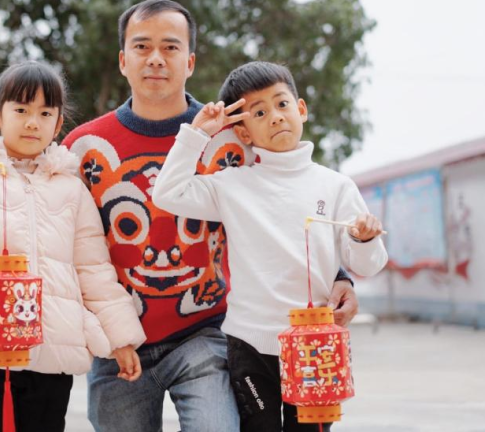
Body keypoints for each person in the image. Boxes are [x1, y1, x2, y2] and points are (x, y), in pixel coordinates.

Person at [60, 0, 360, 432]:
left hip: (206, 331)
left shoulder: (235, 136)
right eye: (142, 47)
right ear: (123, 60)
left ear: (191, 61)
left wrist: (340, 275)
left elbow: (292, 199)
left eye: (170, 47)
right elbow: (60, 234)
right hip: (119, 340)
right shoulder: (83, 147)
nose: (156, 58)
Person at [152, 60, 388, 431]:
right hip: (249, 344)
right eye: (259, 112)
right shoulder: (231, 185)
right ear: (242, 132)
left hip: (315, 346)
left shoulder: (336, 187)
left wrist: (365, 239)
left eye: (282, 104)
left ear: (301, 109)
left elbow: (369, 264)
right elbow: (167, 193)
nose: (275, 116)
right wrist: (197, 134)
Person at [0, 61, 146, 432]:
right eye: (21, 110)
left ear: (58, 123)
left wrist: (122, 338)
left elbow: (94, 271)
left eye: (45, 113)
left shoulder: (72, 190)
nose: (33, 122)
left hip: (51, 349)